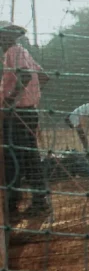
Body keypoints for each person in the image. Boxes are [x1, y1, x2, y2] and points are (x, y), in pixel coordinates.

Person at [0, 21, 50, 218]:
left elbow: (27, 76)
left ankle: (13, 204)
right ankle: (38, 201)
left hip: (17, 114)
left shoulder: (13, 52)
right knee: (29, 158)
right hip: (27, 112)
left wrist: (12, 101)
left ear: (7, 36)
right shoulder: (22, 52)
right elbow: (43, 77)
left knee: (13, 159)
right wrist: (31, 98)